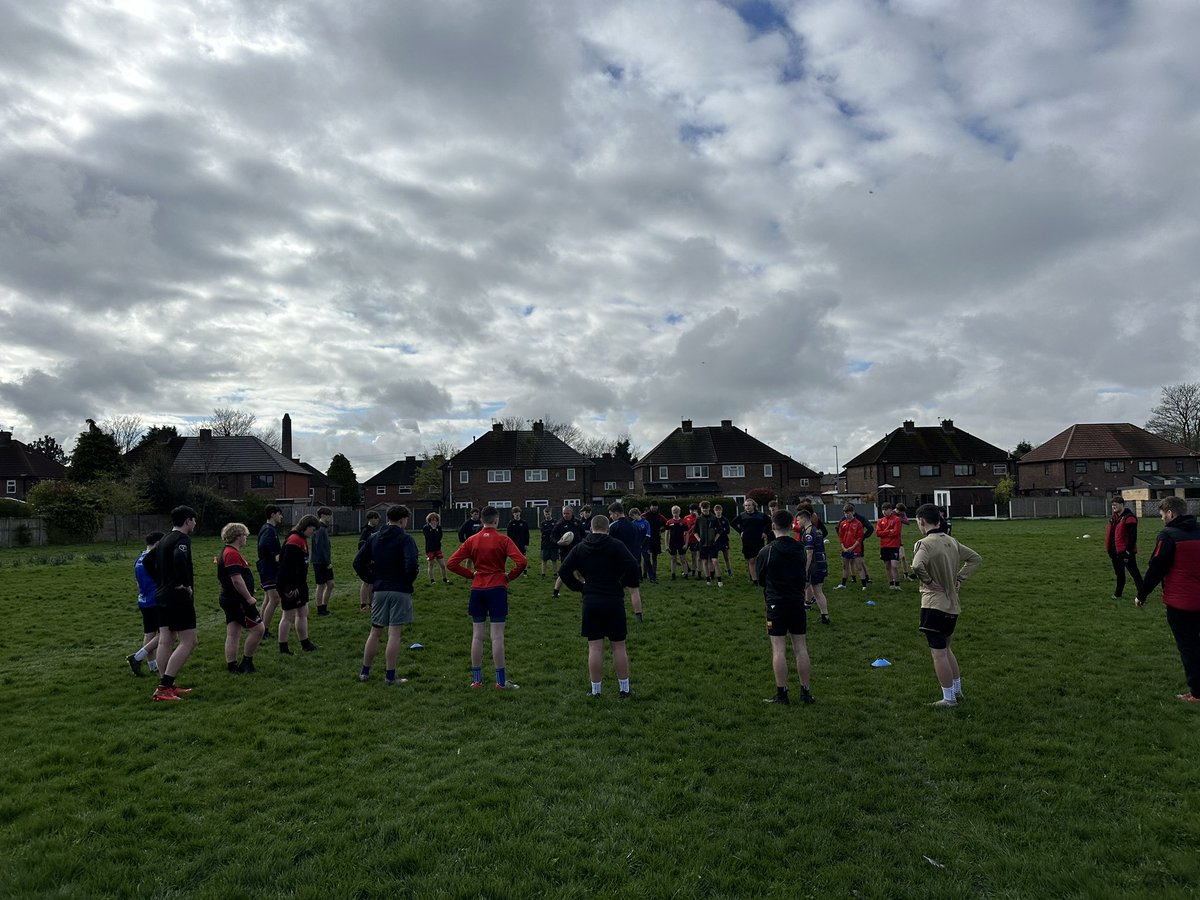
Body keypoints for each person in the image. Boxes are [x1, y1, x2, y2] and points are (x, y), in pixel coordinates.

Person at [447, 505, 528, 689]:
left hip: (478, 589)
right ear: (496, 520)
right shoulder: (503, 540)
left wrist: (470, 575)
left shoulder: (472, 540)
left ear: (481, 520)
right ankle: (500, 682)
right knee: (497, 637)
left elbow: (452, 563)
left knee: (477, 636)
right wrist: (509, 576)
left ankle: (477, 680)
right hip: (497, 587)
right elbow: (522, 561)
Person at [911, 503, 982, 708]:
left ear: (921, 521)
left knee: (938, 652)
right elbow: (975, 559)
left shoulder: (924, 544)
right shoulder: (952, 541)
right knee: (947, 648)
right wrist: (959, 578)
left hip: (934, 604)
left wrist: (928, 581)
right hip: (953, 605)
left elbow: (916, 565)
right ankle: (957, 691)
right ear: (939, 520)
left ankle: (948, 698)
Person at [560, 514, 639, 698]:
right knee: (618, 647)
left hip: (591, 600)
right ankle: (624, 689)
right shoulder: (616, 545)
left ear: (591, 528)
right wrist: (621, 582)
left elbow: (564, 570)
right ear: (608, 529)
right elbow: (633, 565)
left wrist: (581, 588)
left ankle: (596, 691)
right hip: (613, 599)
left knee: (595, 647)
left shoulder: (581, 547)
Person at [1135, 496, 1200, 703]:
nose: (1162, 519)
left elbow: (1156, 569)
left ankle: (1197, 693)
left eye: (1162, 515)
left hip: (1182, 603)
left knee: (1189, 648)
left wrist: (1142, 594)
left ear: (1170, 514)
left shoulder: (1168, 535)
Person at [354, 505, 420, 686]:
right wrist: (408, 580)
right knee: (394, 634)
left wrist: (371, 579)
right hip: (400, 590)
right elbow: (412, 563)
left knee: (375, 632)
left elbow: (358, 562)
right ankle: (390, 677)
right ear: (402, 520)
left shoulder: (374, 538)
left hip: (380, 589)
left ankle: (364, 673)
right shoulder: (406, 539)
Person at [757, 509, 815, 705]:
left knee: (779, 650)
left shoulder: (767, 551)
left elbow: (760, 578)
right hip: (797, 601)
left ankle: (782, 693)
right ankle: (805, 691)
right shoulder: (799, 549)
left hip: (776, 603)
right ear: (792, 526)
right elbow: (804, 574)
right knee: (801, 647)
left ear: (773, 526)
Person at [149, 506, 199, 701]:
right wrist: (183, 584)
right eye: (194, 520)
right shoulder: (182, 540)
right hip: (178, 597)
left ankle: (165, 684)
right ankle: (165, 688)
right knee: (189, 641)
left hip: (161, 596)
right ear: (188, 521)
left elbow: (146, 562)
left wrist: (162, 581)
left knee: (165, 639)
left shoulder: (163, 541)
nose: (195, 524)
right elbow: (179, 558)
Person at [217, 522, 265, 674]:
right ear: (238, 536)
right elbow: (236, 579)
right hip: (238, 600)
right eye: (245, 535)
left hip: (230, 598)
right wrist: (248, 597)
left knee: (234, 632)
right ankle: (246, 662)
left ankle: (232, 666)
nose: (246, 538)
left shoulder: (228, 551)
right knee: (258, 629)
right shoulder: (231, 553)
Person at [277, 515, 320, 654]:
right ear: (306, 527)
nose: (313, 533)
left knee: (302, 613)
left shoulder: (301, 539)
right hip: (290, 585)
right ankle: (283, 648)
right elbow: (286, 567)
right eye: (312, 530)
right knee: (288, 615)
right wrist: (291, 586)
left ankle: (305, 643)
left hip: (300, 583)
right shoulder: (294, 540)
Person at [125, 531, 164, 677]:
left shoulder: (139, 559)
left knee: (149, 633)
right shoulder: (153, 560)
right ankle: (137, 657)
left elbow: (137, 583)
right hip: (156, 600)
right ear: (158, 543)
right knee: (167, 632)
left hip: (143, 600)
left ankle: (153, 665)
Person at [607, 502, 645, 621]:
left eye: (611, 514)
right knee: (634, 591)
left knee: (615, 591)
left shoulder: (614, 526)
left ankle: (616, 616)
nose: (611, 517)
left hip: (618, 563)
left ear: (617, 514)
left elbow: (609, 544)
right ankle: (639, 616)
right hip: (633, 561)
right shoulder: (634, 525)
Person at [796, 508, 830, 625]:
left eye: (798, 520)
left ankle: (795, 617)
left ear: (804, 519)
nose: (797, 523)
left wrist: (805, 569)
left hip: (813, 566)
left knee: (798, 589)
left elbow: (809, 553)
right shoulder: (817, 531)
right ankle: (825, 616)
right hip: (822, 564)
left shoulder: (808, 534)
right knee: (818, 591)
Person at [1106, 496, 1143, 600]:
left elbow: (1132, 537)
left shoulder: (1129, 518)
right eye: (1112, 505)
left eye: (1115, 504)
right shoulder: (1114, 518)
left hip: (1125, 552)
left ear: (1122, 504)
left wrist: (1127, 551)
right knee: (1119, 574)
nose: (1113, 506)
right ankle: (1118, 594)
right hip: (1115, 551)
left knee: (1134, 573)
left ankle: (1142, 593)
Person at [256, 505, 284, 637]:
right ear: (273, 515)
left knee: (268, 598)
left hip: (267, 568)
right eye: (279, 514)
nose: (281, 516)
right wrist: (274, 556)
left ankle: (260, 628)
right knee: (275, 599)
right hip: (269, 568)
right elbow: (263, 546)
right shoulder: (269, 530)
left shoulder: (268, 528)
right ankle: (264, 631)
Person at [731, 498, 771, 584]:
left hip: (758, 539)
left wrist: (764, 532)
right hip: (747, 540)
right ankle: (754, 580)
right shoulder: (742, 515)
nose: (747, 507)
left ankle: (760, 577)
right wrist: (740, 531)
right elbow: (733, 523)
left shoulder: (760, 515)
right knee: (751, 560)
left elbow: (769, 523)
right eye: (746, 506)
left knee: (758, 558)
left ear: (754, 506)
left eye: (749, 505)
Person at [551, 506, 586, 598]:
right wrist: (558, 542)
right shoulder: (559, 524)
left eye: (567, 513)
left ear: (572, 513)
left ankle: (585, 591)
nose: (565, 515)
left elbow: (583, 535)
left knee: (580, 572)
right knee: (563, 573)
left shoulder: (577, 523)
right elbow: (553, 537)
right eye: (564, 513)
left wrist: (582, 543)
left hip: (578, 552)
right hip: (565, 552)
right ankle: (555, 592)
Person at [836, 504, 867, 590]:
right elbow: (840, 536)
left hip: (855, 549)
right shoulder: (842, 523)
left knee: (859, 567)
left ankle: (864, 585)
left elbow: (859, 538)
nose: (847, 515)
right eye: (845, 513)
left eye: (848, 513)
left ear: (853, 512)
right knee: (845, 566)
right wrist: (843, 547)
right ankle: (843, 584)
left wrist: (852, 547)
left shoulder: (858, 523)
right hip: (845, 549)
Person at [311, 507, 335, 617]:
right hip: (320, 562)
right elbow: (320, 548)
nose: (330, 517)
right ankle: (320, 609)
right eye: (329, 515)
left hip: (324, 561)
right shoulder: (319, 529)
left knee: (330, 584)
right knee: (321, 585)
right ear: (323, 515)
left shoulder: (323, 528)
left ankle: (324, 606)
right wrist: (327, 562)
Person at [875, 502, 904, 590]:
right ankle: (891, 584)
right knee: (887, 565)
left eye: (886, 510)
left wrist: (884, 532)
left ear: (891, 510)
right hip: (884, 546)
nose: (884, 512)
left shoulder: (896, 519)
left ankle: (897, 584)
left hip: (894, 545)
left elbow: (896, 532)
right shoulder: (880, 521)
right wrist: (889, 531)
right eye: (883, 510)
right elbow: (878, 533)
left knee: (894, 565)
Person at [694, 500, 722, 586]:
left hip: (712, 544)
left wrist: (715, 539)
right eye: (703, 508)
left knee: (715, 561)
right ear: (700, 509)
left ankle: (719, 580)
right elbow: (695, 531)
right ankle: (708, 579)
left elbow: (720, 530)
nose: (704, 510)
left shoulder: (714, 518)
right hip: (703, 544)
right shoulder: (699, 519)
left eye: (706, 508)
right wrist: (699, 539)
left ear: (709, 508)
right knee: (705, 562)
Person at [358, 511, 381, 611]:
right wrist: (368, 558)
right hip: (367, 560)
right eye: (376, 518)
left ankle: (372, 604)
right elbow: (361, 546)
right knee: (366, 582)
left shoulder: (375, 530)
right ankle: (363, 604)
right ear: (370, 518)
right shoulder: (366, 530)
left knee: (372, 582)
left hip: (374, 559)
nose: (377, 520)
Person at [422, 511, 449, 584]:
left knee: (443, 565)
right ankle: (432, 580)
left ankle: (445, 579)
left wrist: (435, 530)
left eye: (435, 519)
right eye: (432, 519)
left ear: (437, 520)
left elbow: (439, 537)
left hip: (438, 549)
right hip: (430, 549)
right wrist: (433, 529)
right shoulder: (426, 528)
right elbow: (429, 538)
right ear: (429, 520)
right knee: (431, 565)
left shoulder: (439, 527)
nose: (434, 521)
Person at [630, 507, 655, 583]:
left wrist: (642, 544)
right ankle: (639, 578)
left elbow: (648, 535)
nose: (632, 518)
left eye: (632, 516)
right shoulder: (633, 523)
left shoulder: (645, 522)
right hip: (636, 546)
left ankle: (652, 577)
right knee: (637, 561)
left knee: (647, 560)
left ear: (636, 514)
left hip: (645, 545)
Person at [643, 501, 666, 580]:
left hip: (656, 539)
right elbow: (638, 521)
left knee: (654, 557)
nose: (654, 508)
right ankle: (645, 574)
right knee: (646, 557)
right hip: (647, 539)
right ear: (650, 507)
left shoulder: (660, 516)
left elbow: (666, 524)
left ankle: (653, 573)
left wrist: (662, 529)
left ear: (657, 507)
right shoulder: (645, 515)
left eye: (656, 506)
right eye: (653, 506)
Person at [664, 505, 687, 579]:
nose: (675, 513)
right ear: (672, 512)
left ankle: (686, 574)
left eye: (677, 512)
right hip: (672, 543)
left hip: (681, 543)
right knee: (673, 559)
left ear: (679, 512)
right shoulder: (669, 522)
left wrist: (686, 544)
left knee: (683, 559)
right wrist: (666, 545)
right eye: (674, 512)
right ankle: (673, 575)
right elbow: (666, 534)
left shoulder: (683, 522)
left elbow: (687, 533)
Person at [506, 507, 531, 575]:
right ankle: (518, 571)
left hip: (522, 543)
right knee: (517, 558)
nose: (517, 514)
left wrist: (526, 544)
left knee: (524, 557)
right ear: (513, 514)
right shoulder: (511, 523)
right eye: (515, 513)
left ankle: (525, 571)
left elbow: (527, 534)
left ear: (520, 513)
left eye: (518, 513)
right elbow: (509, 535)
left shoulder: (524, 523)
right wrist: (510, 544)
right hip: (514, 544)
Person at [895, 503, 914, 579]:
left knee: (903, 556)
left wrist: (899, 518)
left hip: (899, 538)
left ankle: (905, 574)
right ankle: (894, 576)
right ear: (897, 510)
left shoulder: (901, 514)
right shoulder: (892, 513)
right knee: (896, 558)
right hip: (892, 538)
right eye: (901, 513)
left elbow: (907, 522)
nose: (903, 514)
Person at [713, 503, 733, 577]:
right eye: (716, 510)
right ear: (714, 511)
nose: (718, 511)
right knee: (715, 558)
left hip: (724, 540)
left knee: (726, 557)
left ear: (721, 511)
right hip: (716, 541)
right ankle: (715, 571)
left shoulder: (725, 520)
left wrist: (721, 531)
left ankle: (729, 570)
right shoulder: (713, 520)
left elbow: (728, 531)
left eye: (719, 510)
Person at [538, 507, 559, 578]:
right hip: (545, 544)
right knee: (544, 560)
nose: (547, 515)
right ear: (544, 514)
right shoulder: (543, 523)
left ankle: (555, 574)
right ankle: (543, 574)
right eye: (546, 514)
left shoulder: (555, 522)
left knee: (554, 560)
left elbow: (555, 531)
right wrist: (550, 530)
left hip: (553, 544)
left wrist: (548, 531)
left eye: (548, 514)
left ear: (551, 513)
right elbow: (543, 532)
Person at [683, 504, 700, 577]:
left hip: (694, 539)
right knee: (682, 555)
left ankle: (693, 570)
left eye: (694, 510)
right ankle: (687, 568)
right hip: (686, 539)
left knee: (694, 555)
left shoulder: (699, 518)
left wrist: (697, 516)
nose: (692, 511)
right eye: (691, 510)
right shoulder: (686, 517)